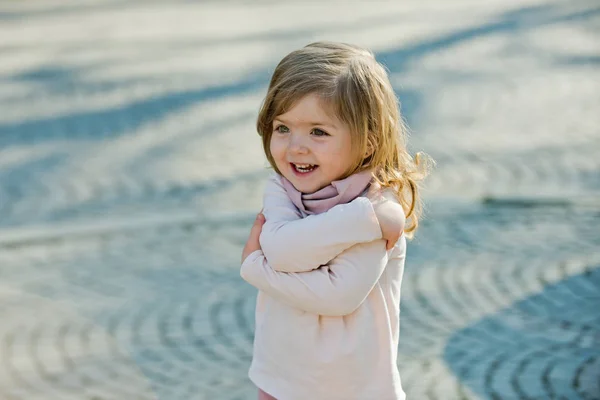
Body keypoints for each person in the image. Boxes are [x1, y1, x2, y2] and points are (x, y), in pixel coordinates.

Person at [240, 41, 430, 400]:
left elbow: (338, 296)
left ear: (369, 141)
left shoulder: (378, 202)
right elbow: (281, 249)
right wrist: (363, 219)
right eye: (282, 128)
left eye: (319, 132)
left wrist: (255, 268)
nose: (296, 147)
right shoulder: (285, 190)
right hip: (280, 381)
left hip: (355, 391)